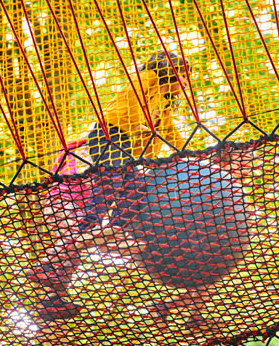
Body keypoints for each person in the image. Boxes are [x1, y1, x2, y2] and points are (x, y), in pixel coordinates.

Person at [26, 51, 191, 320]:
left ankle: (113, 230)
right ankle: (57, 263)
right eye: (182, 74)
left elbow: (169, 131)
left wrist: (190, 152)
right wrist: (140, 126)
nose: (185, 81)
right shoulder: (147, 78)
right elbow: (130, 104)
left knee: (136, 186)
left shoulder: (164, 102)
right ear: (169, 70)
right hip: (109, 136)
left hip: (126, 148)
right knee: (110, 184)